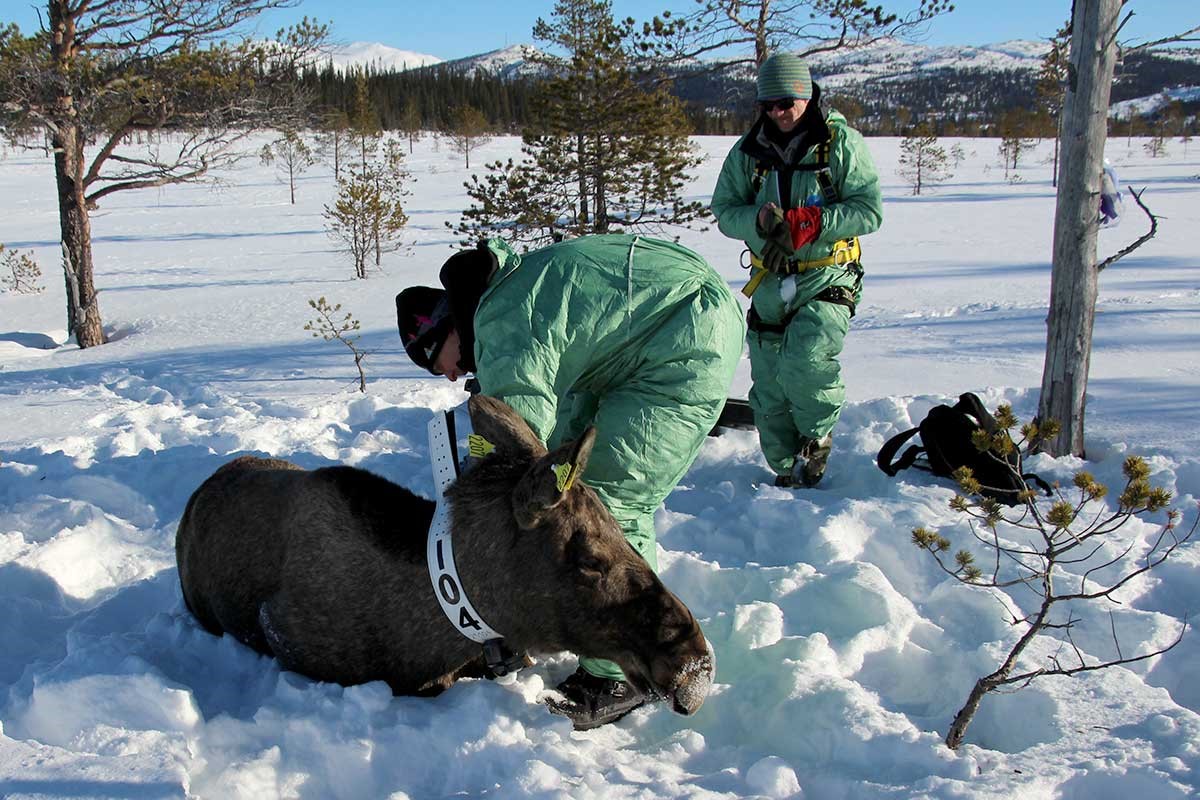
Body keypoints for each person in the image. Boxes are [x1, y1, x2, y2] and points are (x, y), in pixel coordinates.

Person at [396, 233, 744, 729]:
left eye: (439, 364)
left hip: (683, 343)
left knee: (603, 505)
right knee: (567, 458)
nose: (451, 377)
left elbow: (515, 458)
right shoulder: (509, 296)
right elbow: (537, 442)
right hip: (653, 325)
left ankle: (621, 673)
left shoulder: (499, 322)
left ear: (447, 331)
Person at [711, 52, 882, 488]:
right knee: (769, 384)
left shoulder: (840, 145)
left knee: (807, 359)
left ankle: (816, 438)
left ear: (805, 96)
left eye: (785, 103)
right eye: (768, 105)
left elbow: (868, 210)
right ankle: (786, 470)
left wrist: (817, 222)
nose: (777, 113)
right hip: (770, 279)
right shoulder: (749, 153)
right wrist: (758, 222)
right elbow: (725, 209)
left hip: (827, 274)